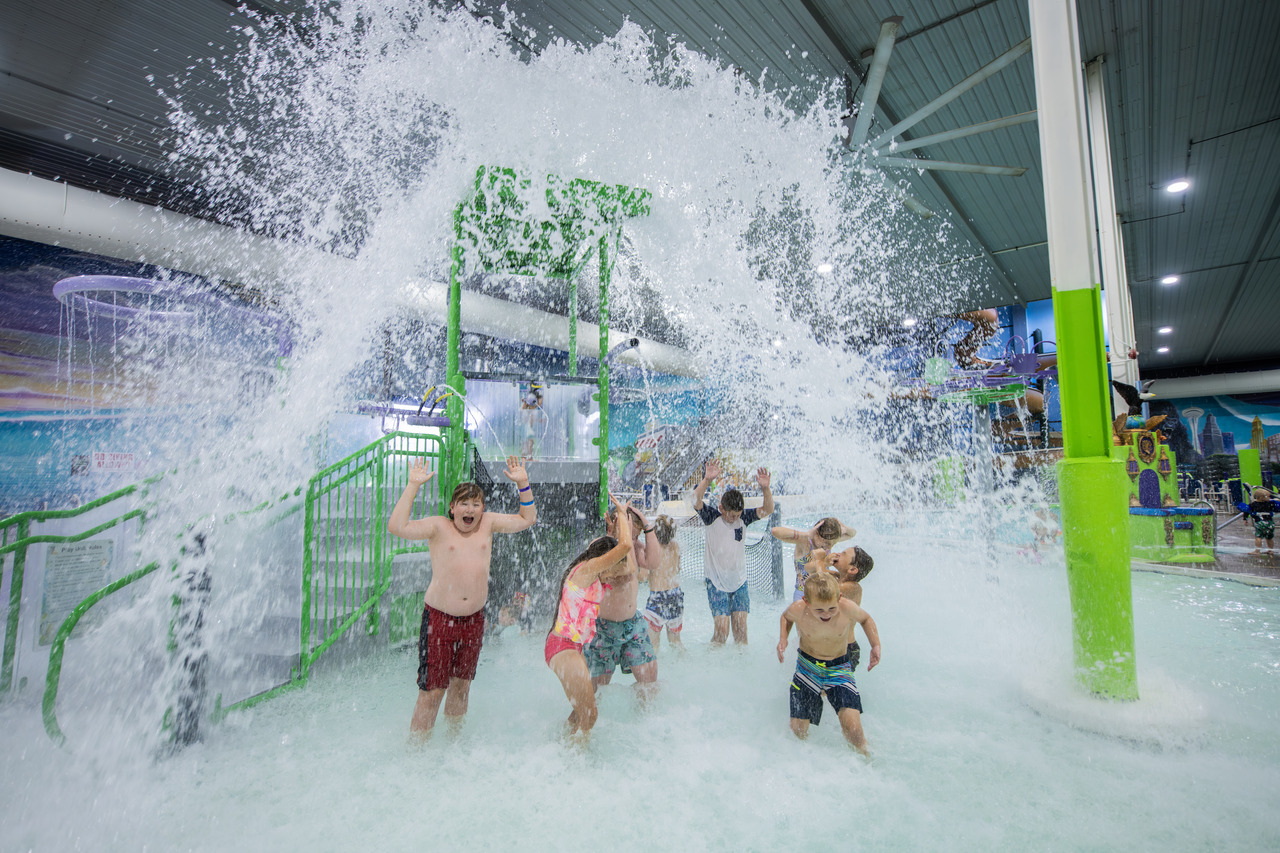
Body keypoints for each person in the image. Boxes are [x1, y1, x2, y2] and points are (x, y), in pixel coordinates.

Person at [386, 455, 537, 740]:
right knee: (433, 691)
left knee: (462, 686)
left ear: (482, 509)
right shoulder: (439, 527)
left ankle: (453, 745)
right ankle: (417, 753)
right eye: (464, 504)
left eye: (476, 504)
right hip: (439, 621)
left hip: (474, 621)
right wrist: (412, 486)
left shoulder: (488, 524)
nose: (470, 509)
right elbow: (396, 527)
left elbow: (528, 519)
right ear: (452, 508)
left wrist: (523, 483)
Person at [545, 494, 634, 743]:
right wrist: (623, 513)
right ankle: (577, 763)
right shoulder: (586, 571)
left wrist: (615, 529)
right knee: (590, 715)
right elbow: (624, 548)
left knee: (578, 714)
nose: (614, 578)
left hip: (572, 647)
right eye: (613, 572)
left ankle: (561, 746)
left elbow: (627, 565)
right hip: (562, 647)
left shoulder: (595, 580)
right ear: (602, 564)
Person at [777, 571, 881, 755]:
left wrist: (876, 645)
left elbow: (866, 619)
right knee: (798, 729)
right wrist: (783, 639)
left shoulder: (847, 607)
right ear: (807, 602)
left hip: (839, 670)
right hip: (806, 670)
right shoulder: (799, 608)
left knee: (853, 729)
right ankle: (802, 760)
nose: (826, 614)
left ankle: (866, 757)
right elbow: (786, 617)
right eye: (819, 610)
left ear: (839, 598)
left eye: (832, 608)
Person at [692, 459, 774, 645]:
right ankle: (714, 666)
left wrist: (765, 489)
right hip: (716, 581)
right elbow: (694, 500)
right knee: (722, 633)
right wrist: (706, 479)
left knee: (741, 632)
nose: (733, 518)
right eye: (730, 514)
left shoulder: (743, 518)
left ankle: (740, 667)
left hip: (739, 582)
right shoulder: (712, 517)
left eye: (737, 515)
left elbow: (768, 509)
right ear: (721, 508)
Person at [583, 504, 659, 698]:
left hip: (632, 625)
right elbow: (623, 572)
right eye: (630, 532)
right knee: (596, 688)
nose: (632, 539)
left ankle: (645, 721)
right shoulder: (600, 546)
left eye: (635, 535)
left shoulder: (635, 546)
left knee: (649, 681)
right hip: (604, 628)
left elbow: (653, 563)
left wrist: (647, 526)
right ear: (615, 523)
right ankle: (589, 724)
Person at [770, 517, 856, 602]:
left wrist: (843, 527)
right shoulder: (805, 543)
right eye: (827, 543)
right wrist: (806, 534)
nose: (830, 547)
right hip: (803, 594)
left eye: (834, 543)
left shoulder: (827, 542)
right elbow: (775, 531)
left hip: (822, 593)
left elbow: (852, 534)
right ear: (816, 534)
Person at [639, 514, 684, 652]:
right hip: (676, 595)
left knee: (653, 645)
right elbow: (677, 568)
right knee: (676, 642)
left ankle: (655, 671)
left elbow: (643, 577)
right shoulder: (675, 546)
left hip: (658, 598)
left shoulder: (652, 549)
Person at [1248, 487, 1275, 554]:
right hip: (1270, 523)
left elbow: (1247, 511)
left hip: (1260, 523)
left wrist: (1245, 519)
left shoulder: (1253, 505)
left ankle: (1257, 551)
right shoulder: (1270, 504)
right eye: (1268, 497)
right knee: (1269, 537)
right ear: (1263, 497)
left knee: (1258, 537)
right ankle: (1271, 550)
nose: (1270, 498)